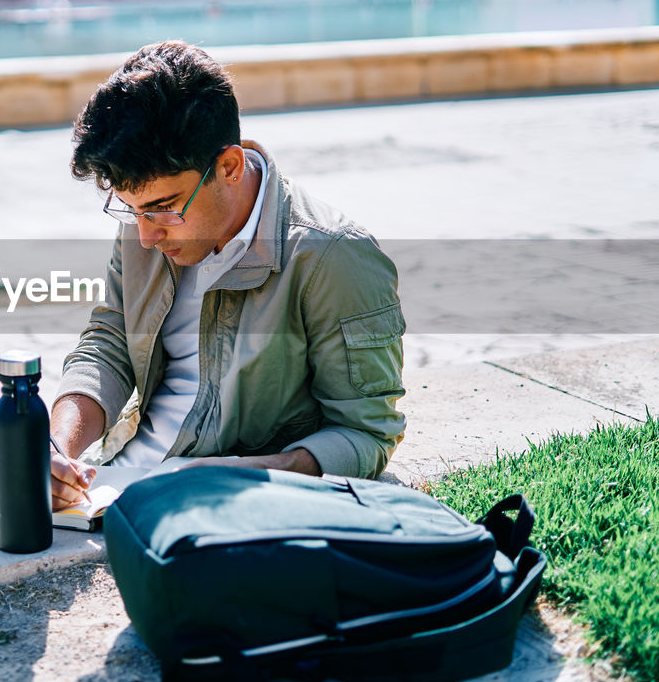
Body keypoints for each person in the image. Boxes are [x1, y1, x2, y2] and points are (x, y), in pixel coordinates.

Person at [50, 40, 407, 510]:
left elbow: (366, 433)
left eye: (163, 209)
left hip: (224, 505)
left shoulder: (334, 257)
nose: (145, 238)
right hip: (115, 484)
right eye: (130, 210)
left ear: (230, 167)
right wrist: (58, 449)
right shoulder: (149, 224)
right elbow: (110, 341)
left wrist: (241, 476)